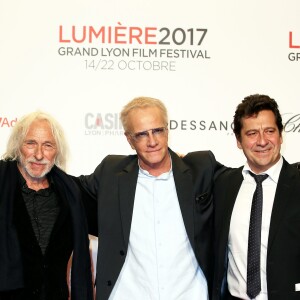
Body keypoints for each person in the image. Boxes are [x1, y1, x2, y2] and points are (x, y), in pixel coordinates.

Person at [76, 96, 223, 300]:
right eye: (142, 134)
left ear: (167, 131)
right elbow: (67, 189)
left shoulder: (200, 168)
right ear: (129, 140)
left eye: (157, 131)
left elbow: (241, 183)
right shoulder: (110, 172)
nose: (152, 141)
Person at [212, 94, 300, 300]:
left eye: (270, 131)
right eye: (252, 133)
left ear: (280, 136)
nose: (262, 141)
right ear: (238, 141)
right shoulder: (223, 184)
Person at [0, 111, 93, 300]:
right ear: (18, 145)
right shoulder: (1, 183)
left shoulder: (72, 192)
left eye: (48, 145)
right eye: (31, 143)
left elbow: (116, 220)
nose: (39, 154)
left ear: (57, 151)